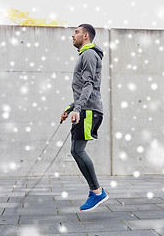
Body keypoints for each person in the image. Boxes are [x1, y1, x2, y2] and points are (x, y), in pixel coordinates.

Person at [60, 24, 108, 211]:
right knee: (75, 150)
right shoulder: (86, 54)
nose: (73, 35)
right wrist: (70, 108)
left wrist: (77, 109)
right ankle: (94, 190)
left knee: (78, 150)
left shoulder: (88, 54)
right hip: (86, 108)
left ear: (86, 35)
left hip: (88, 111)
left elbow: (89, 85)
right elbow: (86, 89)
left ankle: (97, 191)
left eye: (77, 32)